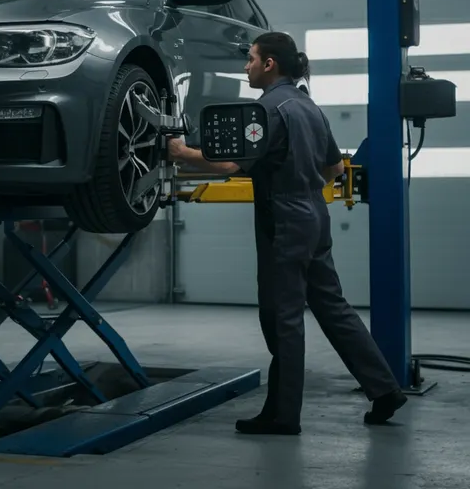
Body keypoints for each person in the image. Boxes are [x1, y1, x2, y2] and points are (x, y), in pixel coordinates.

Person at [167, 31, 407, 435]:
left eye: (251, 59)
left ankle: (282, 415)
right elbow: (333, 169)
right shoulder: (309, 107)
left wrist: (181, 153)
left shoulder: (268, 110)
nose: (246, 66)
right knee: (334, 308)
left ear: (269, 64)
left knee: (283, 318)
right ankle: (385, 389)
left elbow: (229, 166)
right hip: (314, 213)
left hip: (284, 220)